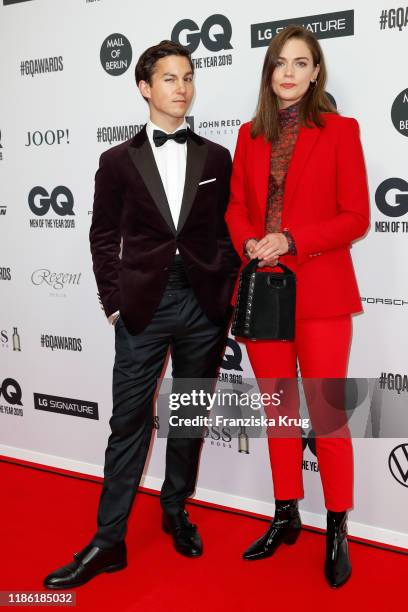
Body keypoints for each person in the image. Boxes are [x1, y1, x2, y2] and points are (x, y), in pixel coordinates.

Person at [44, 40, 240, 589]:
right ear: (145, 88)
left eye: (188, 77)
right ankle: (109, 541)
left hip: (203, 305)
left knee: (188, 415)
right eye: (170, 79)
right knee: (128, 421)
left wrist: (222, 289)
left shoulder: (216, 157)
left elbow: (224, 232)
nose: (182, 88)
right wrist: (113, 301)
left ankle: (175, 510)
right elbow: (102, 235)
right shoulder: (116, 161)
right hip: (142, 306)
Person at [225, 25, 369, 588]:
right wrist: (250, 243)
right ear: (269, 71)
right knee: (279, 412)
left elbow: (356, 216)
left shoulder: (340, 130)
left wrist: (290, 239)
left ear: (315, 73)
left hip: (322, 292)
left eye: (300, 62)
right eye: (279, 62)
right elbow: (237, 206)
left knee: (327, 417)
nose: (288, 72)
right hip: (263, 291)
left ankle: (337, 526)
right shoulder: (247, 134)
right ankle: (286, 512)